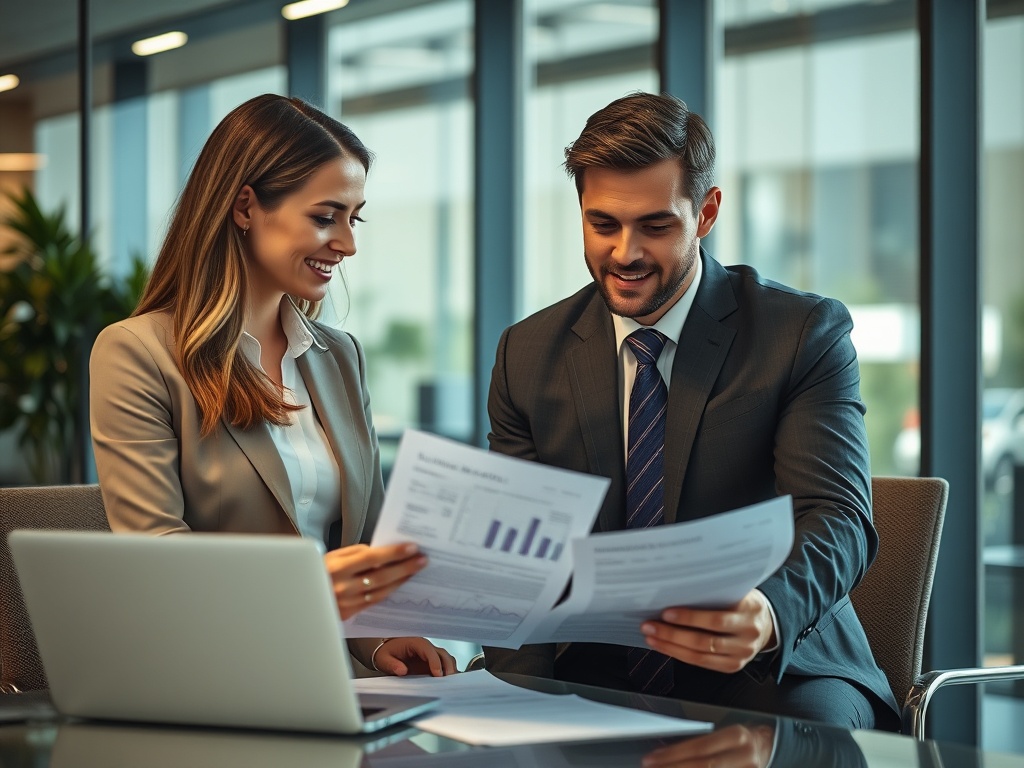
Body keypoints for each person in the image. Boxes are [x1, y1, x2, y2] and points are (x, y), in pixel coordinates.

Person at [482, 92, 900, 729]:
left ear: (705, 213)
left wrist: (768, 612)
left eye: (655, 226)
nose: (625, 253)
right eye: (603, 224)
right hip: (594, 664)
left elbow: (838, 515)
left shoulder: (799, 334)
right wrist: (514, 705)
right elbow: (520, 553)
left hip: (772, 665)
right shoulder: (527, 353)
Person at [90, 93, 456, 678]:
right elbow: (154, 555)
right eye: (325, 217)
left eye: (354, 218)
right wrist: (308, 589)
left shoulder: (339, 357)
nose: (348, 243)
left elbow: (363, 547)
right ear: (246, 207)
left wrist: (381, 639)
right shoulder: (138, 352)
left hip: (333, 676)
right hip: (212, 673)